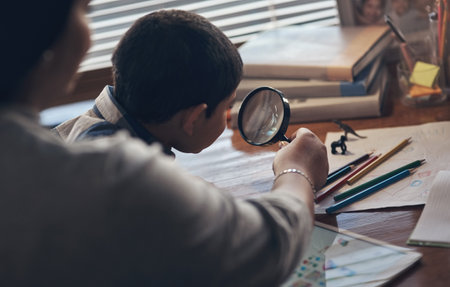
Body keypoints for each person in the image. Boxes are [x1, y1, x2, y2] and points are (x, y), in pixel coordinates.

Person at [0, 1, 328, 286]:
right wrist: (297, 170)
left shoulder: (77, 132)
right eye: (83, 9)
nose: (87, 35)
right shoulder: (114, 178)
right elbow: (270, 247)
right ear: (193, 118)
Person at [54, 10, 242, 156]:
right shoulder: (119, 166)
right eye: (228, 106)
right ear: (193, 119)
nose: (228, 116)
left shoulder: (85, 131)